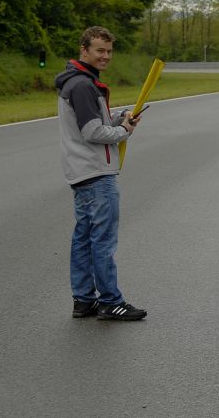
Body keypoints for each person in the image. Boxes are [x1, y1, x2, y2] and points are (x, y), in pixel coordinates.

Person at [54, 26, 147, 321]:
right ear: (84, 50)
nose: (105, 56)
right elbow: (92, 131)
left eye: (109, 51)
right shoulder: (82, 85)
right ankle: (110, 301)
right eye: (99, 50)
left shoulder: (79, 82)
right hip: (95, 173)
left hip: (82, 172)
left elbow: (95, 121)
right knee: (102, 240)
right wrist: (123, 131)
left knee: (84, 238)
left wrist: (119, 117)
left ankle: (83, 300)